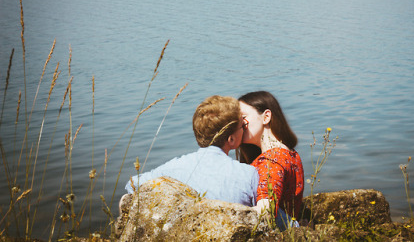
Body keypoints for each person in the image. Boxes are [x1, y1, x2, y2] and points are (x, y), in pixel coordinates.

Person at [124, 95, 258, 207]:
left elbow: (132, 185)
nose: (245, 128)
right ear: (231, 139)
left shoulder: (172, 168)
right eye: (243, 126)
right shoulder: (247, 175)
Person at [238, 91, 304, 229]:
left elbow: (265, 212)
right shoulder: (290, 153)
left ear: (266, 117)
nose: (238, 124)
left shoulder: (270, 161)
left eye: (243, 117)